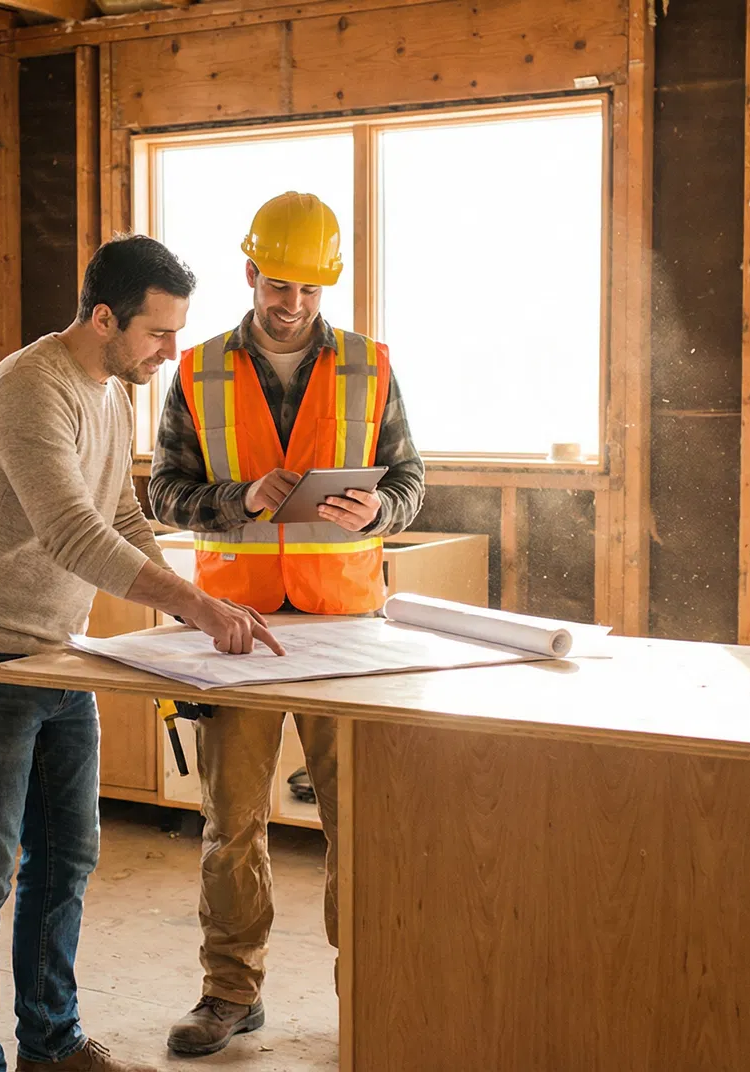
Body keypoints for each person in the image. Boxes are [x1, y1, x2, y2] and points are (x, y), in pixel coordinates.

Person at [0, 234, 285, 1072]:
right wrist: (193, 603)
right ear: (105, 317)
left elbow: (119, 515)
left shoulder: (116, 389)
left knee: (68, 858)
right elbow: (71, 531)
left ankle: (51, 1042)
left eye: (178, 332)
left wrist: (192, 604)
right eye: (158, 334)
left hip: (58, 657)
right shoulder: (28, 391)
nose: (172, 352)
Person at [147, 192, 425, 1056]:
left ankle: (371, 992)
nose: (293, 304)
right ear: (250, 273)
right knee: (232, 824)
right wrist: (236, 499)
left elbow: (413, 483)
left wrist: (375, 511)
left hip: (346, 625)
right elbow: (161, 492)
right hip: (236, 628)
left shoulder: (370, 366)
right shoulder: (195, 370)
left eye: (309, 289)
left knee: (361, 823)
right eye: (279, 285)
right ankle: (229, 992)